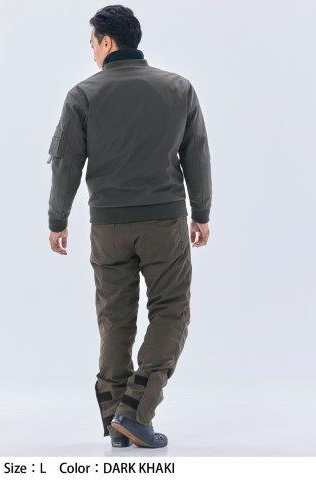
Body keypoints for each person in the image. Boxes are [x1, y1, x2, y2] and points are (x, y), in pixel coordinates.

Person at [47, 5, 212, 448]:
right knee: (170, 311)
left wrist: (57, 220)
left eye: (92, 43)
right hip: (164, 222)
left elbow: (66, 162)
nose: (91, 52)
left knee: (114, 318)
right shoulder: (178, 87)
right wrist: (201, 213)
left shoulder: (82, 95)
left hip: (108, 226)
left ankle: (117, 417)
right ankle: (134, 414)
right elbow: (196, 153)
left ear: (108, 42)